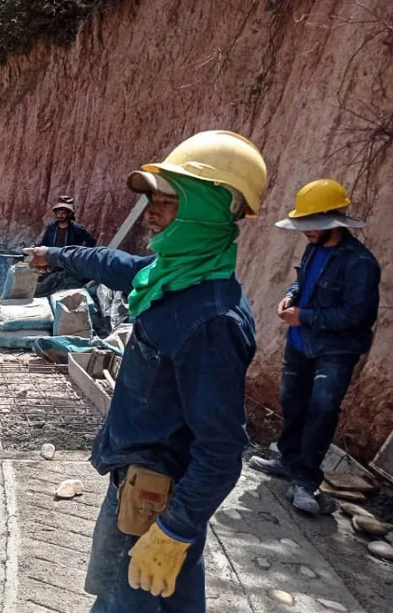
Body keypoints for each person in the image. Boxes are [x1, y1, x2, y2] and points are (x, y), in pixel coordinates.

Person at [25, 130, 266, 612]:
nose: (152, 211)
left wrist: (175, 530)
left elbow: (221, 452)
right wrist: (55, 254)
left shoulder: (211, 320)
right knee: (163, 598)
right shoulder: (171, 276)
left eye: (169, 200)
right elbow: (114, 263)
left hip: (158, 504)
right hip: (136, 488)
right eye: (152, 198)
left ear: (211, 210)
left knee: (128, 598)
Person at [248, 179, 380, 514]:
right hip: (300, 343)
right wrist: (291, 295)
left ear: (332, 220)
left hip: (335, 351)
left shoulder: (359, 262)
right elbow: (303, 280)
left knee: (322, 409)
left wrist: (304, 316)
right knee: (293, 401)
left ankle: (305, 480)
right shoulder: (314, 247)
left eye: (312, 225)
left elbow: (357, 314)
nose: (306, 231)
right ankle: (288, 459)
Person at [35, 195, 98, 297]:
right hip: (52, 265)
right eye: (58, 212)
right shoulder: (52, 227)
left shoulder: (77, 229)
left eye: (63, 212)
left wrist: (79, 254)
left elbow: (91, 241)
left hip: (68, 267)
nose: (60, 215)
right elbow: (44, 243)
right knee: (42, 289)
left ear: (69, 213)